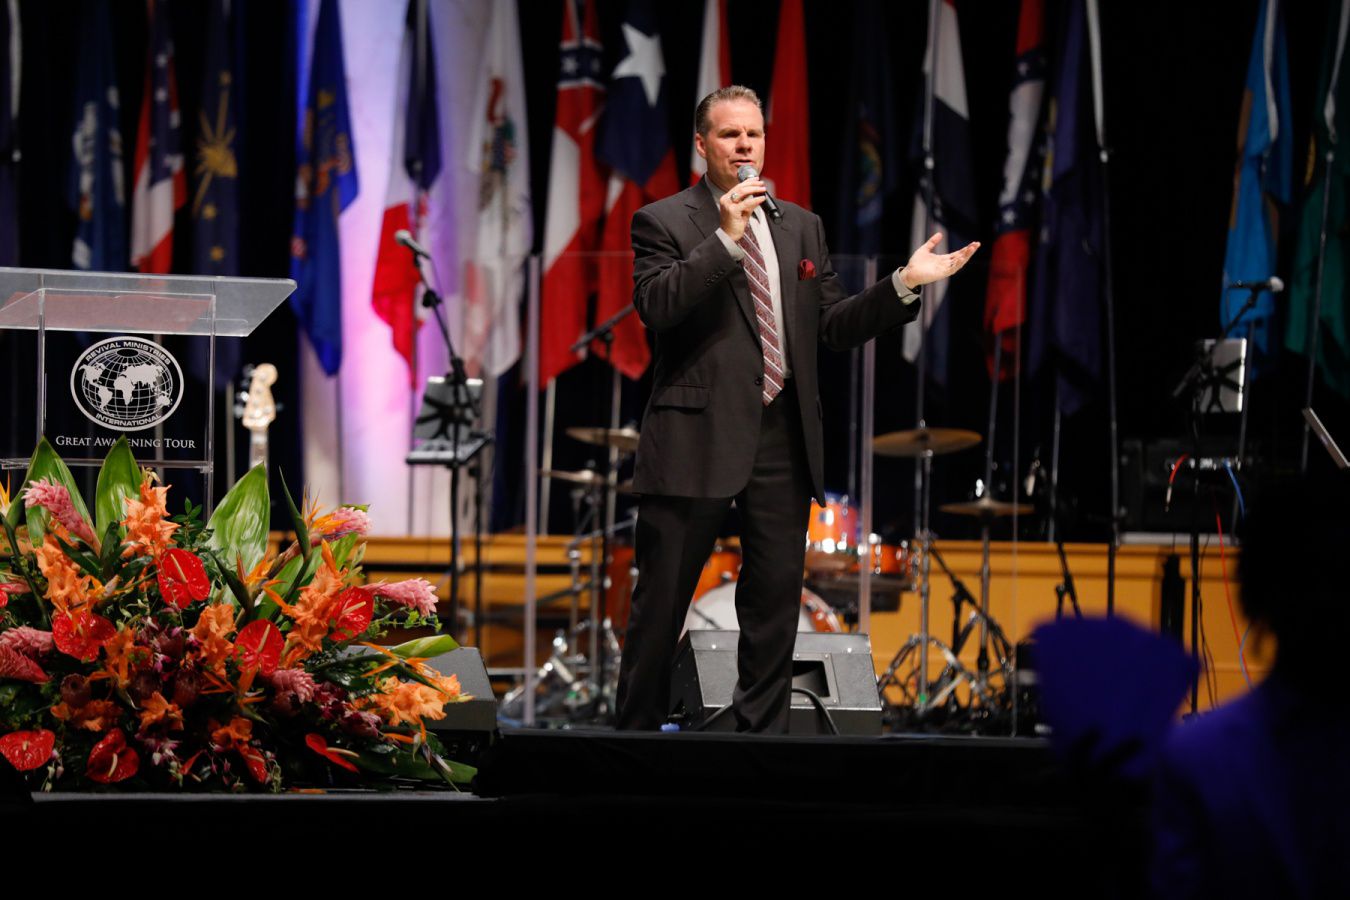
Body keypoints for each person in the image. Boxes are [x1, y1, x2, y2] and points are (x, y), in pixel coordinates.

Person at [615, 86, 979, 733]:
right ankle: (635, 741)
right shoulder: (664, 220)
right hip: (697, 437)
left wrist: (903, 284)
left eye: (753, 134)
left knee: (774, 607)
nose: (744, 145)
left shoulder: (800, 225)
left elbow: (832, 325)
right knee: (662, 603)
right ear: (702, 145)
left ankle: (762, 745)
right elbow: (658, 306)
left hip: (782, 434)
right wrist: (725, 240)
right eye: (729, 134)